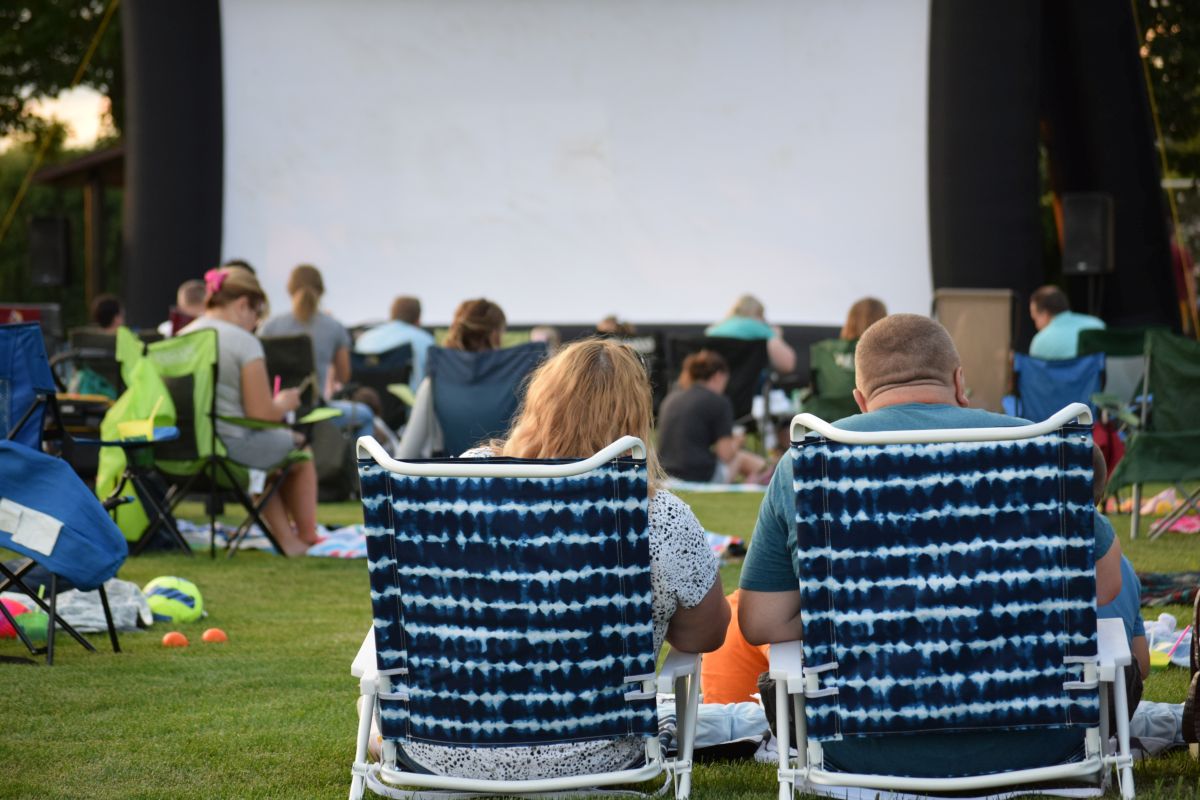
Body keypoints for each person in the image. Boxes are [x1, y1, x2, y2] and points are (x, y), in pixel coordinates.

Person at [738, 313, 1123, 778]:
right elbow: (1105, 582)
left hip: (858, 752)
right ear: (959, 382)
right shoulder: (1035, 446)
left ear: (861, 399)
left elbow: (760, 621)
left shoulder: (809, 462)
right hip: (1044, 745)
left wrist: (861, 612)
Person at [370, 337, 730, 778]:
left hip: (442, 749)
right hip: (600, 757)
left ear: (540, 401)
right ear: (638, 419)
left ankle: (381, 734)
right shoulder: (659, 517)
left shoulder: (467, 480)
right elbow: (705, 634)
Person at [179, 266, 317, 556]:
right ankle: (307, 536)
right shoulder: (243, 342)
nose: (256, 323)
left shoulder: (181, 337)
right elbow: (261, 414)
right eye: (258, 313)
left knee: (269, 458)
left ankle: (286, 540)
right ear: (243, 305)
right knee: (299, 448)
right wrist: (284, 402)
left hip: (179, 452)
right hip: (229, 450)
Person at [259, 264, 375, 441]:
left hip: (274, 409)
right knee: (365, 415)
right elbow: (344, 377)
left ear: (289, 290)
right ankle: (357, 460)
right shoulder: (334, 327)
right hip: (314, 412)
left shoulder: (269, 326)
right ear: (321, 291)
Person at [395, 298, 506, 458]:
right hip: (506, 471)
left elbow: (407, 452)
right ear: (495, 335)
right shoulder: (515, 381)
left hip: (449, 471)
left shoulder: (437, 381)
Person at [657, 350, 769, 484]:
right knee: (747, 460)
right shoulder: (719, 402)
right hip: (697, 477)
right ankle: (759, 485)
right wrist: (737, 442)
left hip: (665, 473)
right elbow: (725, 454)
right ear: (718, 376)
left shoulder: (671, 398)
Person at [700, 589, 768, 705]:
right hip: (750, 713)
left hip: (714, 708)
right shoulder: (767, 614)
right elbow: (789, 671)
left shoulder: (728, 605)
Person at [354, 295, 435, 390]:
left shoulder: (365, 338)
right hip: (407, 398)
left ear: (391, 315)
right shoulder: (426, 341)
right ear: (418, 319)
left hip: (366, 397)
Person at [705, 294, 796, 374]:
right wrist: (776, 336)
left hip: (716, 382)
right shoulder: (756, 326)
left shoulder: (713, 329)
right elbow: (788, 365)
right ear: (758, 314)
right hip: (747, 383)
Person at [1029, 285, 1105, 360]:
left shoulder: (1040, 341)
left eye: (1035, 319)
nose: (1036, 325)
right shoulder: (1097, 324)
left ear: (1045, 314)